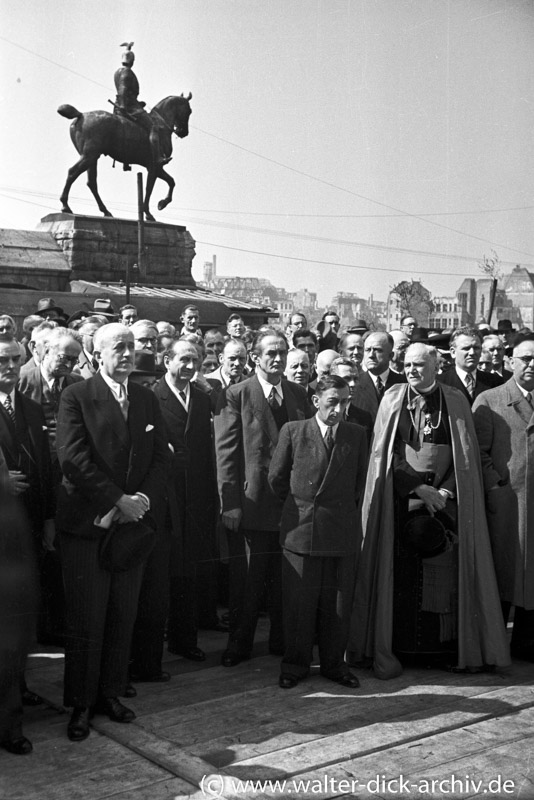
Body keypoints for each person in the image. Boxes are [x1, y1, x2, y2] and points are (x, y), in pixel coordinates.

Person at [347, 343, 510, 678]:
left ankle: (441, 651)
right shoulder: (392, 398)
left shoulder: (455, 399)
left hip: (446, 505)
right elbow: (384, 455)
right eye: (406, 364)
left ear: (436, 366)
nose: (411, 370)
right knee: (401, 580)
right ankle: (402, 648)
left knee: (444, 581)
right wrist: (418, 488)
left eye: (419, 365)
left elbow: (465, 456)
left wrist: (444, 491)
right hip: (401, 502)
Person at [56, 323, 169, 741]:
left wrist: (139, 502)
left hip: (130, 527)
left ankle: (110, 693)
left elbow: (161, 458)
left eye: (131, 346)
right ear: (97, 353)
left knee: (123, 613)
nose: (126, 353)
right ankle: (81, 704)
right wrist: (116, 500)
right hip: (88, 525)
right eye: (117, 347)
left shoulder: (144, 397)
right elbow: (72, 458)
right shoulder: (77, 396)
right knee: (88, 617)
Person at [214, 329, 311, 666]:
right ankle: (238, 645)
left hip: (290, 505)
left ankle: (280, 642)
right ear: (255, 357)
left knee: (285, 579)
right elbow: (226, 453)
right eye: (270, 352)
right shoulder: (237, 394)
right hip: (252, 504)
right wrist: (230, 503)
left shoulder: (299, 394)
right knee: (247, 581)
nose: (278, 358)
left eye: (283, 352)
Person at [269, 375, 367, 690]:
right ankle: (295, 666)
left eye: (344, 402)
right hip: (302, 532)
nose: (338, 409)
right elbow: (277, 480)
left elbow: (360, 484)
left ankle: (334, 665)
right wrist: (303, 511)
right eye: (332, 402)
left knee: (337, 604)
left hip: (340, 531)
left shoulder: (356, 434)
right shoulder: (294, 432)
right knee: (299, 604)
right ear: (316, 401)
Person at [154, 339, 218, 661]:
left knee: (188, 573)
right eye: (184, 360)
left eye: (196, 361)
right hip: (165, 498)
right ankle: (154, 645)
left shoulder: (204, 398)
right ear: (167, 360)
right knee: (161, 573)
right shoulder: (152, 396)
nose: (191, 367)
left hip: (196, 499)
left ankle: (184, 639)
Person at [473, 333, 534, 661]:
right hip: (506, 505)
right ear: (510, 361)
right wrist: (496, 486)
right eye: (525, 358)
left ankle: (526, 642)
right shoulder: (490, 400)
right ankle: (492, 647)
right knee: (502, 572)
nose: (531, 364)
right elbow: (477, 453)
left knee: (532, 574)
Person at [114, 43, 170, 169]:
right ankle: (157, 157)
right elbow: (123, 90)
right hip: (129, 108)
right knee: (153, 126)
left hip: (123, 105)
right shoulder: (127, 73)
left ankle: (126, 161)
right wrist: (124, 106)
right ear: (132, 61)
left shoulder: (118, 71)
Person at [350, 332, 405, 424]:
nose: (371, 355)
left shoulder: (403, 384)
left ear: (391, 355)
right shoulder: (354, 384)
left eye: (378, 350)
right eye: (367, 350)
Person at [438, 326, 498, 406]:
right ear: (453, 352)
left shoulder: (496, 383)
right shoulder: (439, 383)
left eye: (476, 348)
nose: (472, 352)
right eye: (466, 348)